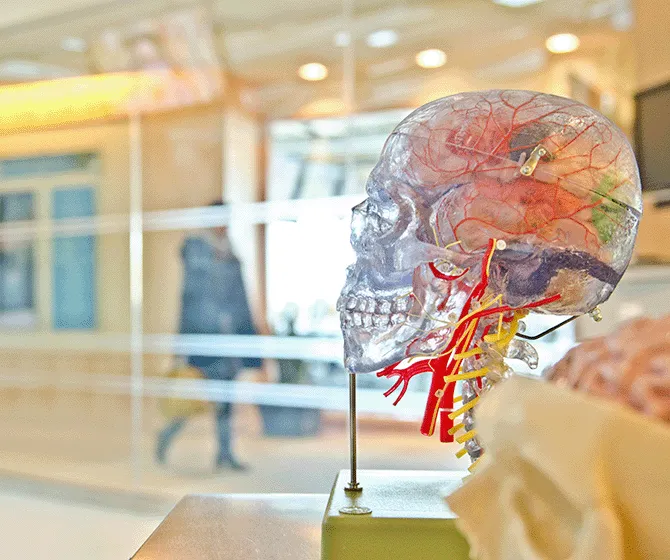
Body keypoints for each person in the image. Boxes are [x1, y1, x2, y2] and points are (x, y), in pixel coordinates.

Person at [156, 200, 260, 470]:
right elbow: (189, 299)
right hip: (206, 340)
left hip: (230, 341)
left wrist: (249, 340)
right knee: (195, 398)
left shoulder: (229, 252)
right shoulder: (198, 251)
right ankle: (167, 433)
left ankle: (224, 454)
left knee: (225, 400)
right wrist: (182, 344)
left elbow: (240, 300)